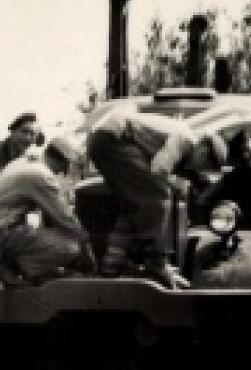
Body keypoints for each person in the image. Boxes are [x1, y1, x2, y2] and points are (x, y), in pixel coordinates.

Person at [86, 109, 228, 290]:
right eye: (205, 164)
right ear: (203, 149)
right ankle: (158, 262)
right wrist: (173, 185)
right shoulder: (185, 138)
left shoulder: (182, 142)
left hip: (106, 138)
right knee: (158, 195)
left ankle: (112, 261)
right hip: (114, 138)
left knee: (134, 203)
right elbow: (160, 169)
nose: (199, 169)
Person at [0, 136, 97, 285]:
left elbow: (49, 215)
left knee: (46, 237)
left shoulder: (22, 163)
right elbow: (63, 217)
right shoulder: (41, 176)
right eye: (64, 167)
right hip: (1, 233)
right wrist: (85, 243)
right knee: (70, 247)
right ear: (61, 161)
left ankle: (6, 267)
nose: (61, 172)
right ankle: (18, 271)